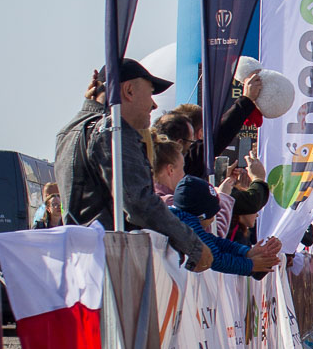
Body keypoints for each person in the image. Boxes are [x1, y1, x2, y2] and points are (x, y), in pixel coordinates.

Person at [55, 61, 211, 271]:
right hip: (112, 267)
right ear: (128, 90)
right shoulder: (113, 131)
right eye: (150, 93)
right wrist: (193, 245)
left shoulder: (71, 129)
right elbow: (139, 202)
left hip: (81, 264)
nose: (154, 105)